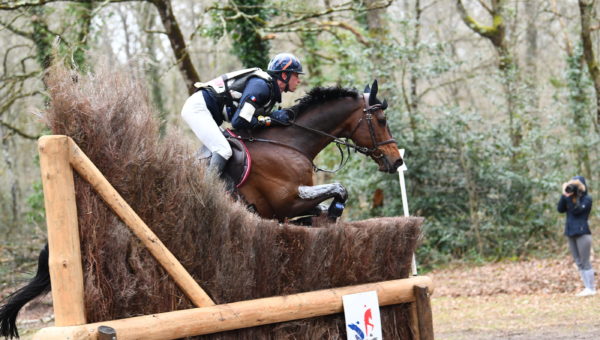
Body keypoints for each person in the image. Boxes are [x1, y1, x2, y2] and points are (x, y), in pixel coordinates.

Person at [181, 53, 303, 176]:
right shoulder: (262, 86)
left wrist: (271, 118)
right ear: (284, 75)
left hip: (206, 110)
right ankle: (206, 192)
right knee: (223, 150)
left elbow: (250, 119)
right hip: (198, 108)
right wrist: (271, 120)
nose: (299, 80)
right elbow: (239, 121)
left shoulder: (270, 90)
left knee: (226, 147)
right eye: (296, 75)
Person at [557, 176, 596, 297]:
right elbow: (560, 209)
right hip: (570, 233)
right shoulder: (569, 198)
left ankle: (591, 288)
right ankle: (586, 287)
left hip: (583, 234)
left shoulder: (587, 199)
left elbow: (577, 211)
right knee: (578, 262)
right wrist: (564, 195)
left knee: (585, 261)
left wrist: (570, 199)